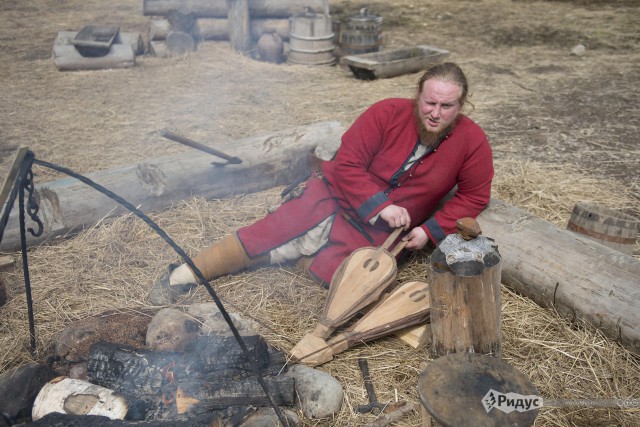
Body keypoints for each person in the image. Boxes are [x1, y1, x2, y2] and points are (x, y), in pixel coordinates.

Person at [148, 62, 494, 305]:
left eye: (446, 106)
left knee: (343, 283)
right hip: (334, 196)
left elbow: (475, 195)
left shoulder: (472, 141)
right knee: (270, 233)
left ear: (461, 105)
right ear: (417, 96)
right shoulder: (387, 112)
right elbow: (347, 163)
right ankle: (183, 276)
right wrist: (383, 205)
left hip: (380, 232)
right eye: (429, 102)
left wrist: (430, 231)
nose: (435, 113)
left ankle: (298, 258)